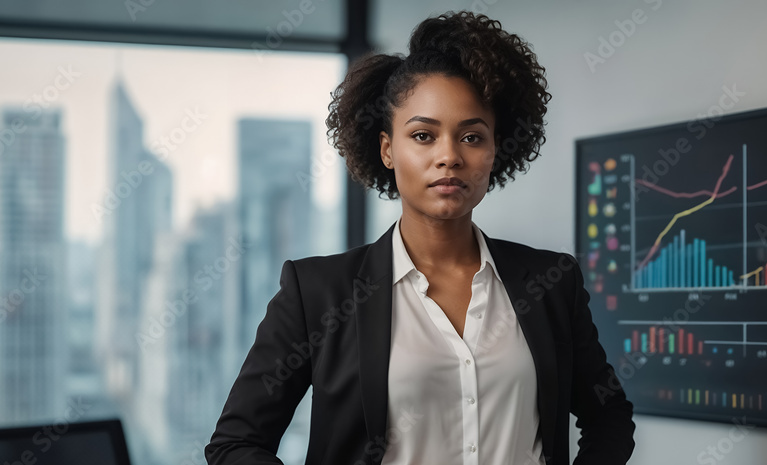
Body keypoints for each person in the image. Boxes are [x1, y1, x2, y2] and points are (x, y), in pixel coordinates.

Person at [205, 10, 635, 465]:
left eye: (471, 136)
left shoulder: (550, 281)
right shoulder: (318, 294)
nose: (449, 156)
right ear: (388, 149)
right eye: (424, 135)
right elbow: (236, 445)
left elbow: (608, 415)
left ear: (495, 149)